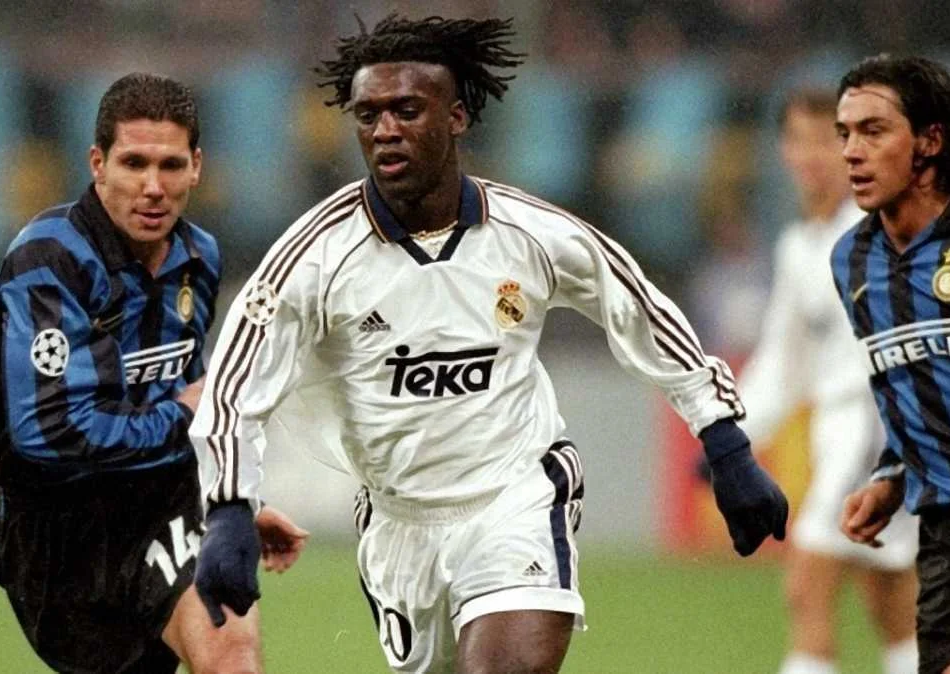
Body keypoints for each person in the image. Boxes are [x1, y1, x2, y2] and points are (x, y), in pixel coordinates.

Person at [188, 14, 788, 674]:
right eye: (368, 114)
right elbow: (235, 386)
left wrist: (725, 440)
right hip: (398, 525)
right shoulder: (314, 257)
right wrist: (228, 508)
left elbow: (641, 311)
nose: (384, 129)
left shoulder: (531, 233)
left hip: (516, 496)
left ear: (457, 117)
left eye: (406, 110)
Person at [0, 72, 308, 674]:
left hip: (162, 509)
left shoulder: (199, 257)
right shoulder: (49, 261)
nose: (153, 187)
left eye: (171, 165)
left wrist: (230, 502)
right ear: (98, 164)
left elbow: (188, 388)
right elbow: (51, 435)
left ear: (196, 167)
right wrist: (181, 417)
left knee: (231, 655)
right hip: (60, 542)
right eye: (134, 163)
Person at [739, 88, 918, 674]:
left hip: (875, 434)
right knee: (894, 603)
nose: (811, 155)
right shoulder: (799, 245)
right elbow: (783, 361)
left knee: (807, 586)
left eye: (828, 140)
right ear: (783, 151)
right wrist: (735, 436)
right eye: (799, 140)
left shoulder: (882, 234)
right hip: (841, 434)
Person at [832, 54, 950, 674]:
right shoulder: (851, 262)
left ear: (930, 140)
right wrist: (891, 475)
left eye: (873, 131)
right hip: (943, 526)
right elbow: (907, 386)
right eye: (845, 133)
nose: (852, 152)